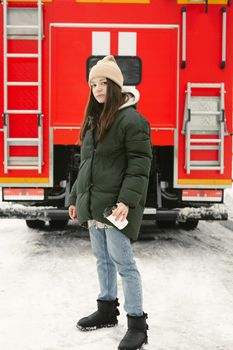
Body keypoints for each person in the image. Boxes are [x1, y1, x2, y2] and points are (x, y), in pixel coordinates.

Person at [68, 55, 152, 350]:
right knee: (102, 260)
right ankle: (106, 310)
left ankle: (137, 324)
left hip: (116, 207)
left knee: (124, 264)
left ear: (116, 85)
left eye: (103, 82)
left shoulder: (132, 120)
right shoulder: (95, 119)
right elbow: (85, 164)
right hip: (94, 204)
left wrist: (127, 201)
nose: (98, 89)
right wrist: (74, 197)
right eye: (93, 83)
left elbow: (140, 166)